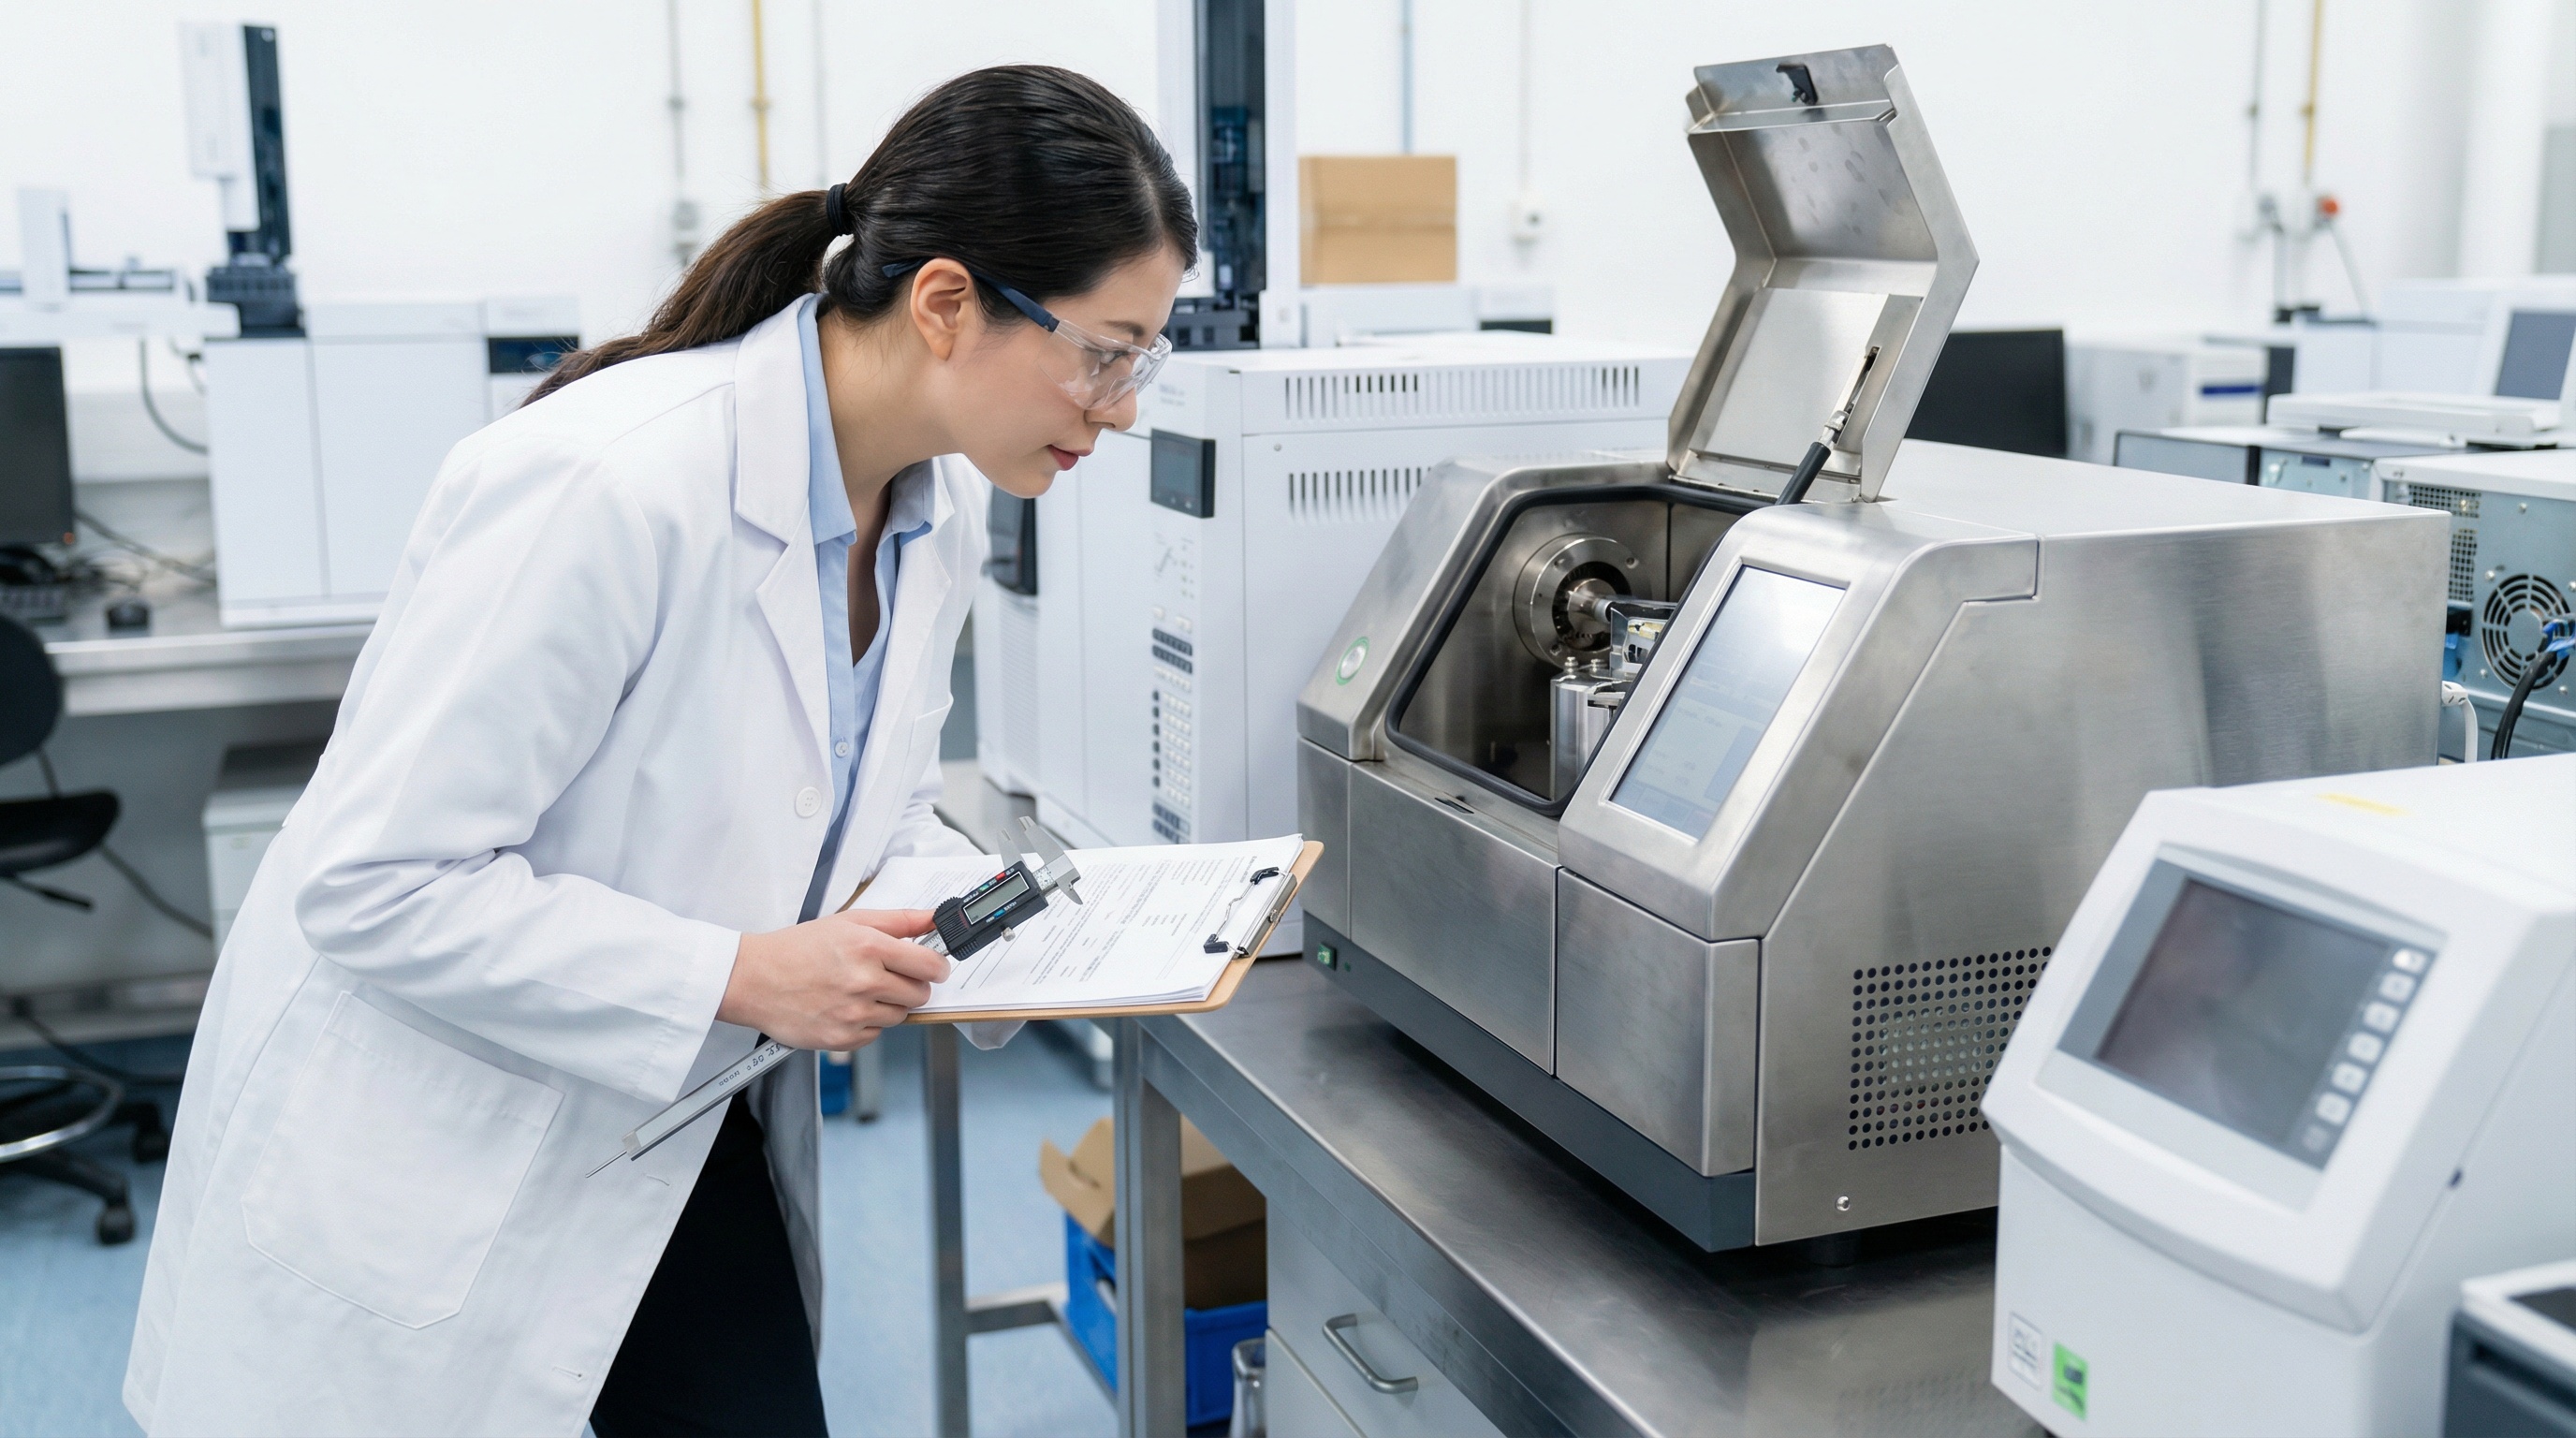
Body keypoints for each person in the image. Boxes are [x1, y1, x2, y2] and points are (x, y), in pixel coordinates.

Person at [121, 65, 1193, 1438]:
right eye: (1106, 352)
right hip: (444, 1141)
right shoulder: (603, 487)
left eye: (1141, 360)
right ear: (944, 304)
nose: (1121, 406)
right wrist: (744, 971)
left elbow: (870, 804)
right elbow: (374, 882)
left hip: (672, 1119)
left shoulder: (938, 515)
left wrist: (993, 919)